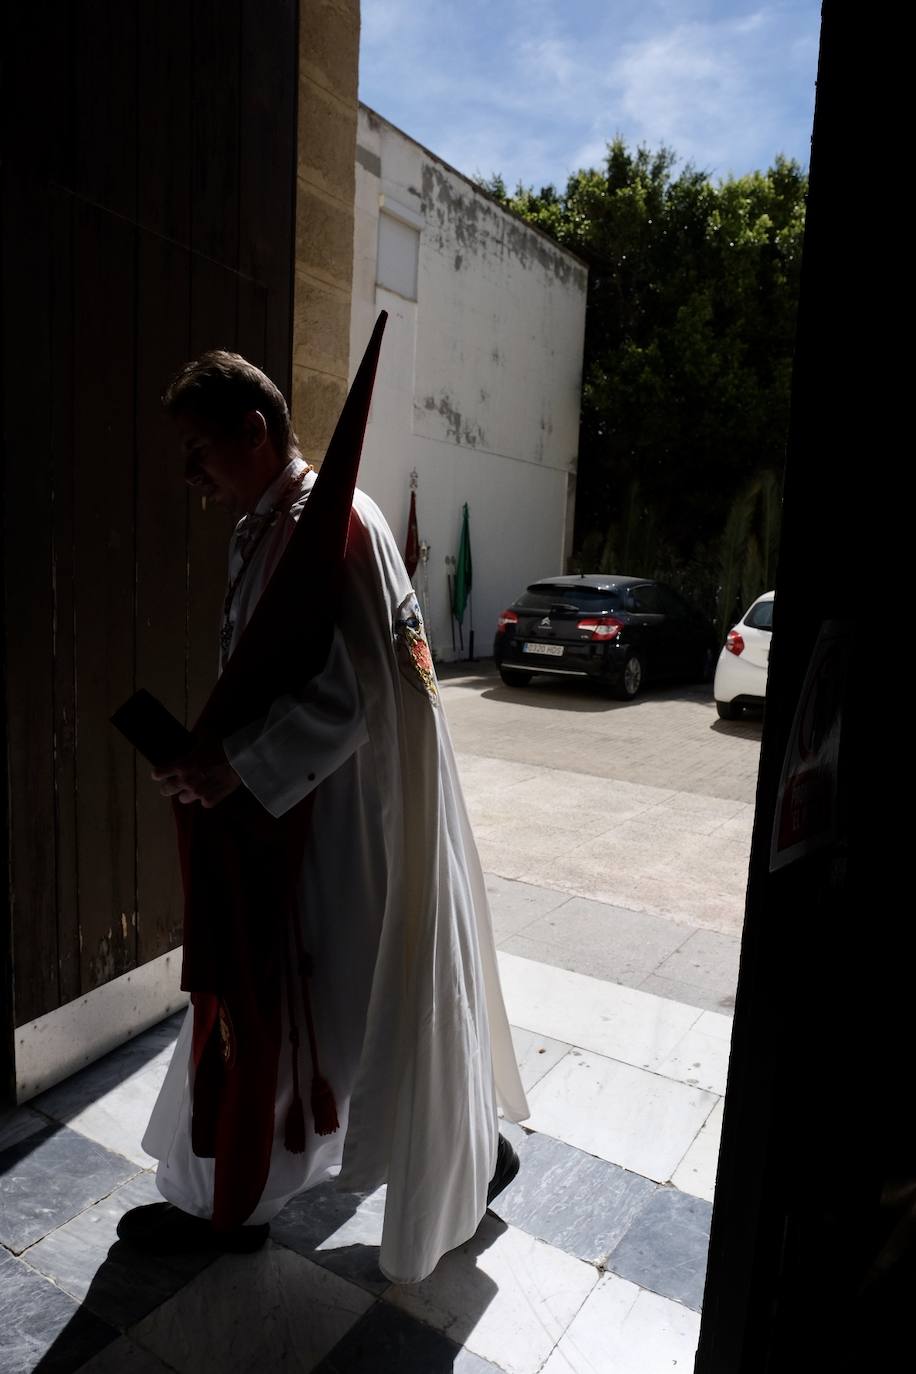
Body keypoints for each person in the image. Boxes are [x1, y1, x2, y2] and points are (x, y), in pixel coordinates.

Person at [117, 346, 529, 1284]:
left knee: (310, 1005)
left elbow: (359, 693)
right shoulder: (269, 523)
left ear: (255, 433)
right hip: (286, 809)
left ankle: (259, 1194)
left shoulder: (333, 526)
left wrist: (240, 767)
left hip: (333, 821)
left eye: (200, 452)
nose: (191, 477)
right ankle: (442, 1150)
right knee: (327, 1007)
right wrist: (223, 763)